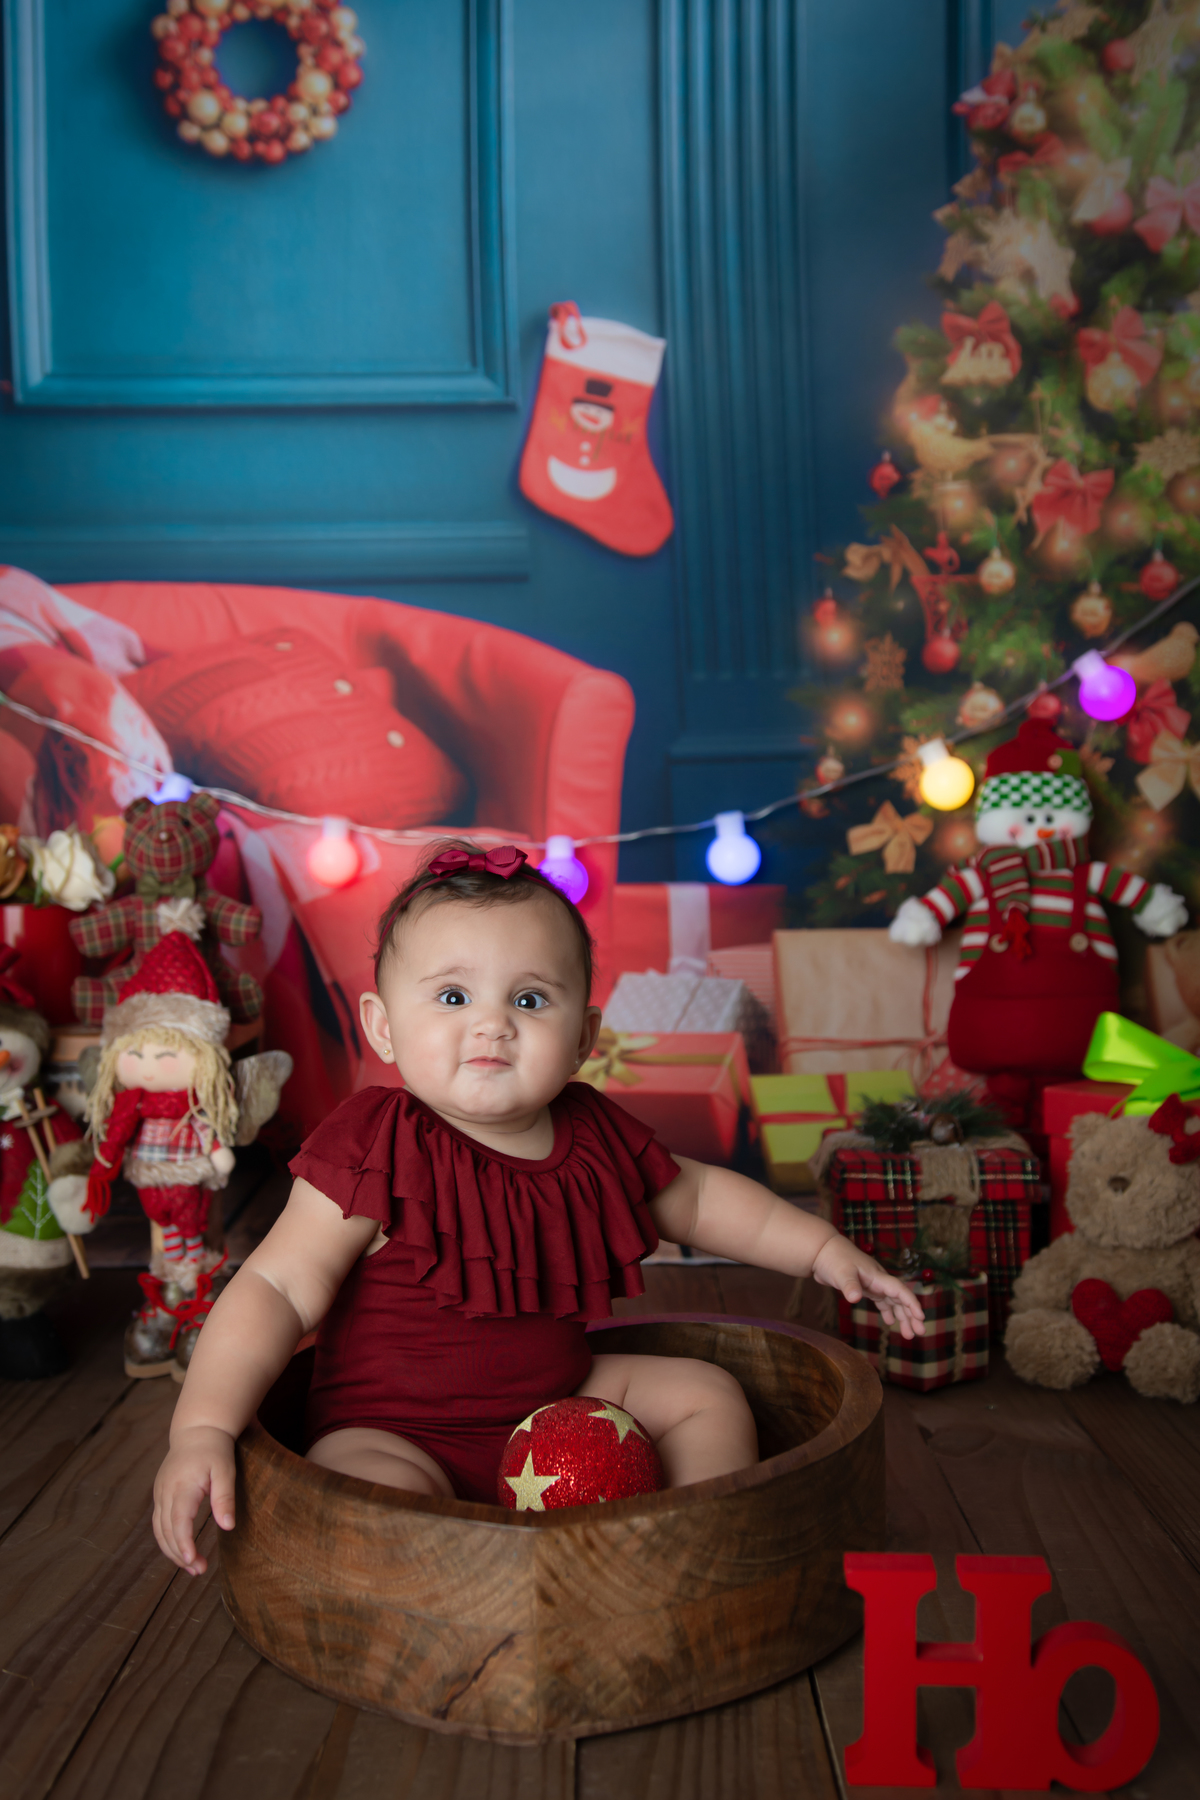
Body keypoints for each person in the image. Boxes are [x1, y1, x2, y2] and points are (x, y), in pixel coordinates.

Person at [154, 842, 923, 1575]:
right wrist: (203, 1427)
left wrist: (822, 1250)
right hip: (394, 1432)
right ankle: (462, 1586)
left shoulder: (591, 1136)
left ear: (583, 1036)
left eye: (529, 998)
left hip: (557, 1406)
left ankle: (688, 1553)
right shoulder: (376, 1144)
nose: (493, 1023)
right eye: (453, 996)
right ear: (383, 1026)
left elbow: (700, 1199)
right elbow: (278, 1288)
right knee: (365, 1495)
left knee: (707, 1395)